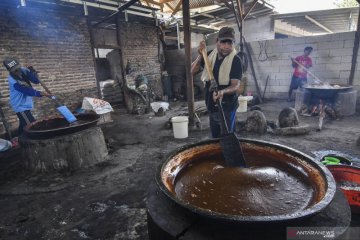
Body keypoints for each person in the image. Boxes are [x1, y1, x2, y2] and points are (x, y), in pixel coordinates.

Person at [191, 27, 242, 138]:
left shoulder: (236, 60)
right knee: (215, 138)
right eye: (223, 42)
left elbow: (236, 85)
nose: (227, 46)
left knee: (228, 136)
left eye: (230, 43)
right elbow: (192, 71)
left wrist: (222, 92)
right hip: (211, 105)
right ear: (217, 41)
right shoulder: (209, 55)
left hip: (227, 107)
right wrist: (201, 54)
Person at [3, 57, 51, 135]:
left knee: (23, 124)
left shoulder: (24, 70)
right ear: (10, 71)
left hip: (26, 103)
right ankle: (30, 142)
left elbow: (35, 81)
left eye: (17, 68)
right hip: (20, 105)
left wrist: (32, 71)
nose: (17, 71)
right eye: (14, 70)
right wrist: (43, 94)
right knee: (31, 124)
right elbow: (27, 91)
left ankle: (18, 139)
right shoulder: (13, 80)